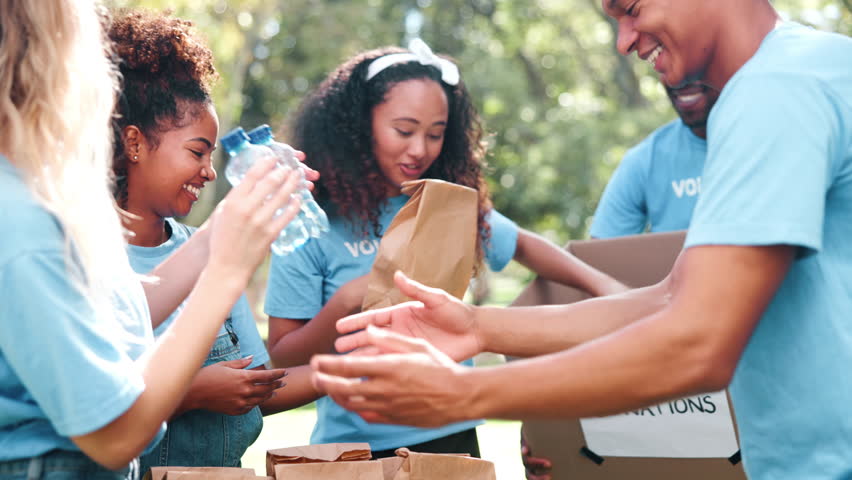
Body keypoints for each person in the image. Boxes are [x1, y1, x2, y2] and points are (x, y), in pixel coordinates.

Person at [310, 2, 852, 479]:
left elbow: (698, 343)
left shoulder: (775, 91)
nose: (623, 41)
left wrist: (464, 393)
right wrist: (478, 326)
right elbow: (673, 298)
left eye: (631, 8)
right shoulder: (803, 69)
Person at [263, 39, 627, 458]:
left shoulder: (445, 204)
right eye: (404, 130)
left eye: (435, 134)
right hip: (356, 449)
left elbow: (526, 244)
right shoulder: (311, 220)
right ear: (358, 125)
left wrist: (605, 286)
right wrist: (347, 300)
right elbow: (284, 356)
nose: (420, 149)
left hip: (452, 432)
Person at [0, 1, 302, 478]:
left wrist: (218, 235)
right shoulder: (24, 221)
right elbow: (117, 434)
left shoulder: (26, 200)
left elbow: (114, 310)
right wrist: (225, 269)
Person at [107, 10, 320, 473]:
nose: (209, 171)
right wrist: (191, 393)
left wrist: (340, 373)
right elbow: (93, 410)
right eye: (197, 151)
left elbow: (258, 387)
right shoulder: (82, 260)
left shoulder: (208, 249)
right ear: (135, 143)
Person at [519, 78, 721, 480]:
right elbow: (602, 285)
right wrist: (549, 432)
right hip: (683, 378)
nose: (675, 73)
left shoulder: (784, 135)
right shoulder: (646, 161)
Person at [589, 81, 718, 238]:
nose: (678, 79)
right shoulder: (645, 159)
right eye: (661, 63)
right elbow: (601, 254)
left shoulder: (754, 141)